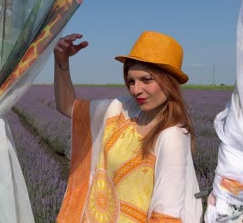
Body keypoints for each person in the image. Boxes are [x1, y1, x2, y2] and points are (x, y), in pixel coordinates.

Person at [53, 31, 203, 222]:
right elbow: (68, 107)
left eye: (146, 80)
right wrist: (61, 62)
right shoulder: (122, 110)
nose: (135, 90)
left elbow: (167, 214)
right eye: (131, 81)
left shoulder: (172, 135)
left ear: (169, 81)